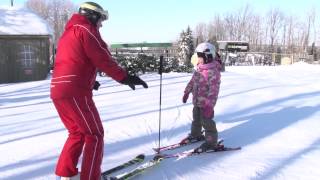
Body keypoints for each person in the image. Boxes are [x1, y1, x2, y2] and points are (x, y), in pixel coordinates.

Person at [50, 2, 148, 180]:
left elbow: (72, 61)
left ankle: (66, 173)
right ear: (92, 16)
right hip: (75, 91)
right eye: (101, 19)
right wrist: (124, 77)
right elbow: (102, 58)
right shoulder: (86, 29)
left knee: (77, 132)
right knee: (94, 134)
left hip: (58, 89)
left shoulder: (68, 33)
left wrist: (89, 81)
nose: (101, 24)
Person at [182, 42, 222, 153]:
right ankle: (196, 135)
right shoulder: (199, 69)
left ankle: (211, 142)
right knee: (196, 120)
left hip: (206, 105)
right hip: (197, 102)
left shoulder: (213, 72)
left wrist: (209, 106)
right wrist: (187, 92)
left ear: (207, 56)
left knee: (207, 123)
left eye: (199, 57)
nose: (197, 59)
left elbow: (214, 91)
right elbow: (192, 82)